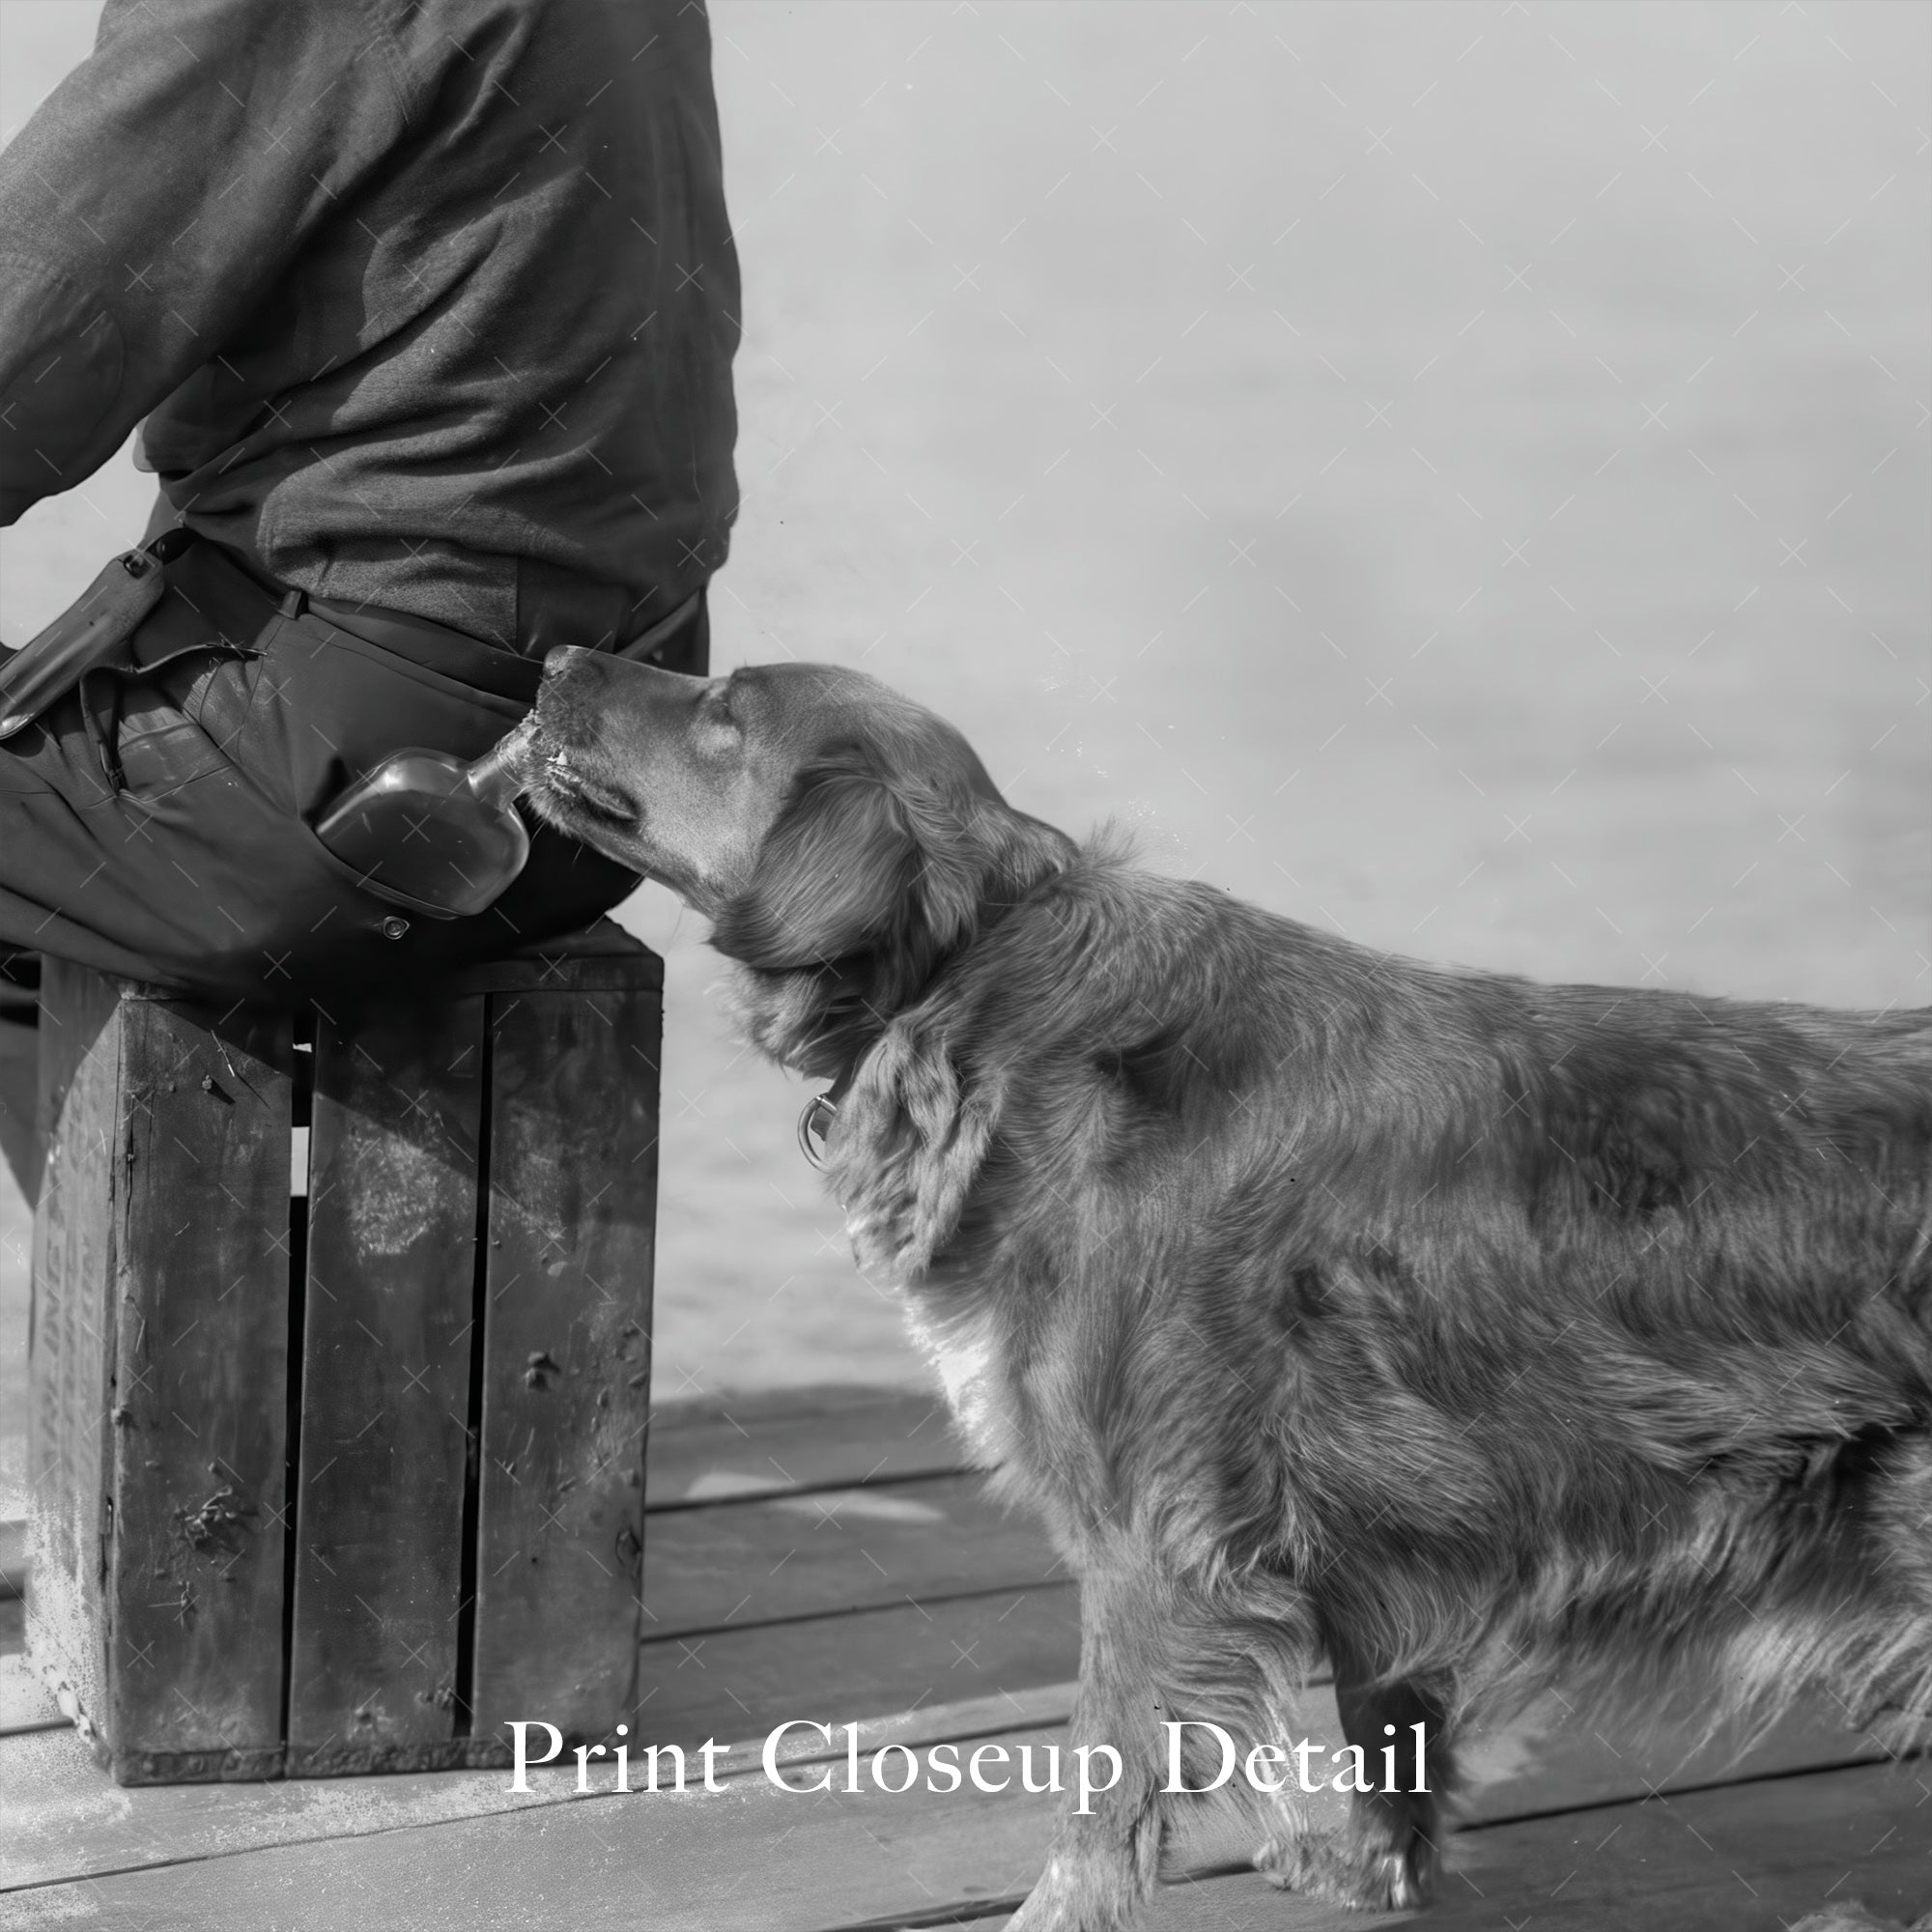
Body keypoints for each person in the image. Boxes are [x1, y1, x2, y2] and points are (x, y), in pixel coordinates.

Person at [0, 0, 741, 1189]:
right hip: (598, 773)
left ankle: (177, 1306)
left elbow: (32, 332)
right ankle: (202, 1286)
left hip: (357, 785)